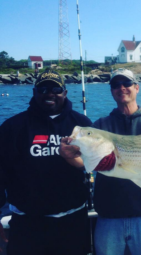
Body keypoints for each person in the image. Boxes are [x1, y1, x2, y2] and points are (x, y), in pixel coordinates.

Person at [60, 68, 141, 255]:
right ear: (112, 91)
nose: (121, 88)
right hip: (108, 216)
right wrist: (69, 157)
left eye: (126, 84)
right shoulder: (101, 125)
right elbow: (86, 165)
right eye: (116, 85)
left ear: (136, 88)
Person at [0, 68, 92, 255]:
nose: (49, 94)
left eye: (56, 89)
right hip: (27, 225)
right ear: (34, 93)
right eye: (42, 90)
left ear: (64, 93)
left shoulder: (82, 124)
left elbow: (96, 163)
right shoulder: (12, 127)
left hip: (73, 222)